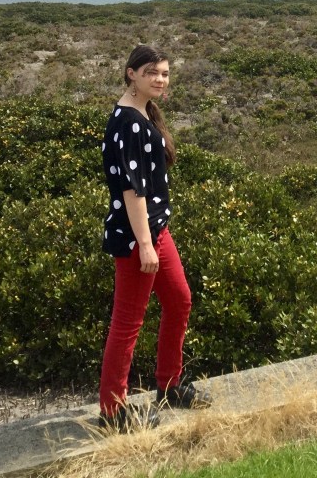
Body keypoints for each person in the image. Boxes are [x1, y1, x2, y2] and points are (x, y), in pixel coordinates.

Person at [97, 44, 211, 431]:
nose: (160, 79)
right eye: (152, 73)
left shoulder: (144, 111)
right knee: (128, 322)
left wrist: (153, 237)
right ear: (131, 73)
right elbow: (132, 190)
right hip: (137, 237)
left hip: (156, 229)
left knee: (179, 301)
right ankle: (112, 412)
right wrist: (145, 244)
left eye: (164, 73)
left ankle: (170, 385)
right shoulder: (128, 121)